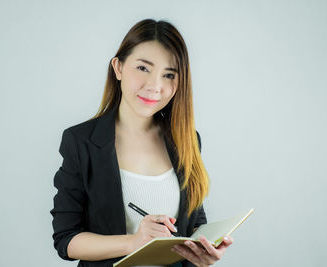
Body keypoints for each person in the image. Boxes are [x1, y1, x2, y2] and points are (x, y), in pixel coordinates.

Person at [50, 18, 234, 267]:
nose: (155, 86)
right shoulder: (80, 141)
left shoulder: (187, 140)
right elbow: (66, 239)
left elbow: (193, 222)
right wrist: (133, 242)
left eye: (169, 74)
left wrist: (203, 250)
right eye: (143, 68)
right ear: (118, 68)